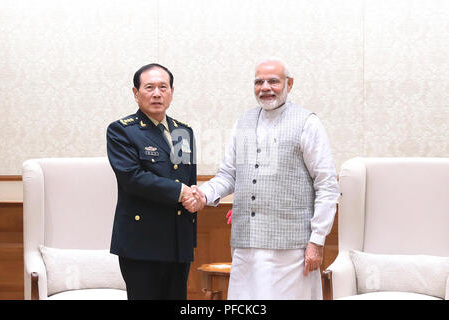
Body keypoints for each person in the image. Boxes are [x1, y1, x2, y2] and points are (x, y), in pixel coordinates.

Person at [183, 58, 340, 299]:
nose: (265, 87)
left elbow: (327, 185)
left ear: (290, 84)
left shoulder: (307, 122)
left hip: (291, 248)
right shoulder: (244, 123)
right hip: (246, 245)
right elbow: (229, 175)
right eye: (259, 82)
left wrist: (317, 241)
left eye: (273, 81)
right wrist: (204, 194)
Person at [107, 63, 199, 300]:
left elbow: (186, 177)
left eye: (163, 87)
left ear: (171, 92)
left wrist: (195, 196)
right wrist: (182, 192)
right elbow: (133, 178)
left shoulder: (183, 132)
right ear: (136, 93)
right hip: (142, 242)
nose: (157, 93)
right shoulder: (122, 131)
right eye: (149, 87)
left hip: (178, 239)